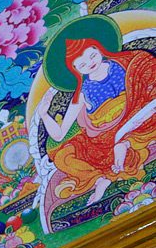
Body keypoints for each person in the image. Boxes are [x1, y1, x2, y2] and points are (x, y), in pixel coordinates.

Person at [35, 36, 156, 206]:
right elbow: (59, 135)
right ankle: (99, 179)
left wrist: (124, 138)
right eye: (82, 65)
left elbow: (149, 87)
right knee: (63, 157)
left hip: (136, 121)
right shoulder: (83, 93)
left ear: (99, 49)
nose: (90, 63)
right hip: (103, 138)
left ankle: (126, 143)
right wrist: (44, 114)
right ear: (75, 69)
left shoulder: (125, 65)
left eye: (92, 55)